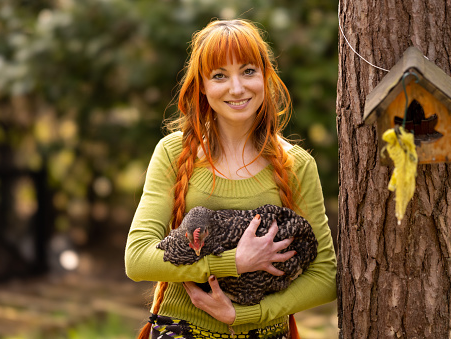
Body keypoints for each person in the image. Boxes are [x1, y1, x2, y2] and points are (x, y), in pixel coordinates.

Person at [125, 19, 336, 339]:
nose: (236, 88)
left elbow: (325, 276)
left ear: (266, 77)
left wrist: (246, 314)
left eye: (248, 71)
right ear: (203, 87)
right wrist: (231, 262)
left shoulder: (296, 164)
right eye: (220, 75)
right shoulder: (173, 152)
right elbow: (138, 259)